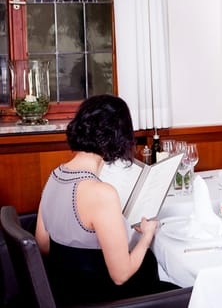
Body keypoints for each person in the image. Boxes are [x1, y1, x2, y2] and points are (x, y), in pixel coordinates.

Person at [35, 94, 177, 304]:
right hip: (104, 299)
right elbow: (121, 276)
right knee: (182, 284)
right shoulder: (101, 193)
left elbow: (43, 245)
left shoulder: (54, 176)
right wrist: (147, 235)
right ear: (119, 136)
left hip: (65, 293)